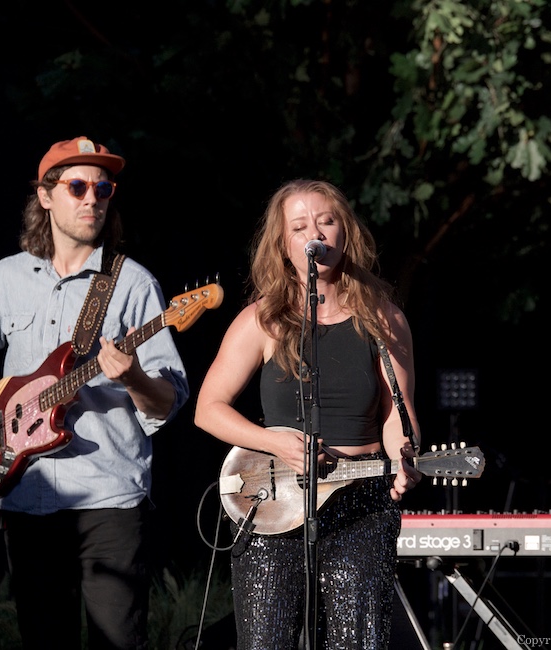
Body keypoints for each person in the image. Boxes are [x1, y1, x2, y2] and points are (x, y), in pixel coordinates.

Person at [0, 136, 189, 650]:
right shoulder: (4, 278)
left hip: (110, 496)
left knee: (117, 642)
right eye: (77, 186)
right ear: (46, 196)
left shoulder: (133, 284)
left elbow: (168, 400)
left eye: (103, 188)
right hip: (27, 491)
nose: (92, 198)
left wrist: (132, 378)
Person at [194, 179, 422, 649]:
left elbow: (398, 410)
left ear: (344, 231)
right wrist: (274, 441)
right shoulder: (263, 320)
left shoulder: (384, 318)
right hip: (273, 504)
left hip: (361, 502)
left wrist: (406, 452)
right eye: (299, 226)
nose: (314, 232)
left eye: (325, 220)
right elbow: (207, 409)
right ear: (284, 244)